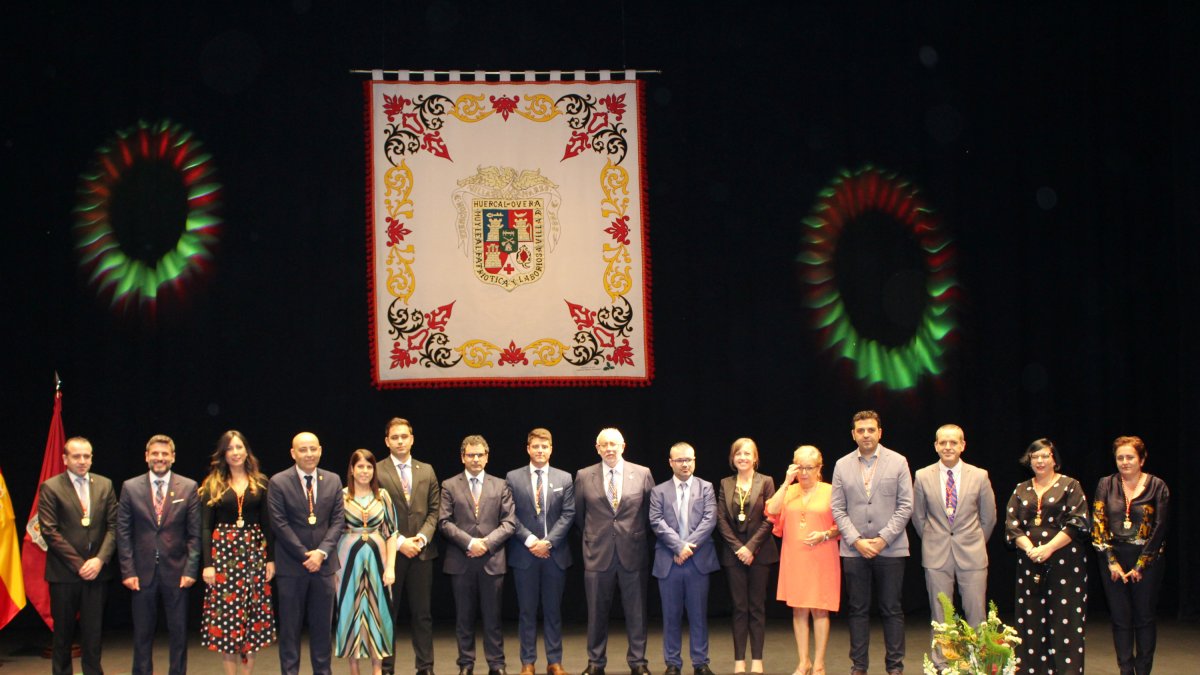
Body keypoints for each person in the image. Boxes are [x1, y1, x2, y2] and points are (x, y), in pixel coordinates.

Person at [830, 410, 912, 675]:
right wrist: (856, 540)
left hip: (891, 548)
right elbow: (838, 509)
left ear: (880, 432)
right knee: (857, 611)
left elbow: (905, 506)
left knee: (892, 609)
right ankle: (859, 667)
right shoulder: (842, 465)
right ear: (853, 434)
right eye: (861, 430)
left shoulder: (898, 462)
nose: (866, 434)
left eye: (871, 429)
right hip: (854, 551)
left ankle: (895, 667)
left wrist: (882, 539)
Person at [911, 424, 997, 670]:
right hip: (936, 555)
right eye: (943, 442)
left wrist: (975, 541)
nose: (948, 447)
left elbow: (988, 518)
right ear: (936, 446)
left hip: (972, 555)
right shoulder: (922, 475)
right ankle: (943, 664)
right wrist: (933, 539)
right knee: (940, 615)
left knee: (976, 613)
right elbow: (919, 518)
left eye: (953, 442)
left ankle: (979, 662)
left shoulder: (979, 475)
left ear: (962, 445)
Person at [116, 434, 201, 675]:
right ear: (146, 456)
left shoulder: (189, 486)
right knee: (142, 635)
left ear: (173, 457)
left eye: (165, 454)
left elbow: (195, 535)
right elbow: (123, 533)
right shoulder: (130, 487)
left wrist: (190, 570)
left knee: (179, 633)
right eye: (155, 453)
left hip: (177, 573)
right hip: (141, 574)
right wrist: (128, 571)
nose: (160, 458)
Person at [574, 427, 655, 675]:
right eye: (604, 444)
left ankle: (638, 662)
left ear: (623, 446)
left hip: (633, 553)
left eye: (614, 444)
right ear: (597, 448)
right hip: (598, 555)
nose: (609, 448)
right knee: (596, 613)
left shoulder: (642, 474)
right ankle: (595, 663)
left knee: (637, 613)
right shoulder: (583, 475)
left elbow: (651, 514)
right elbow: (579, 516)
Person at [1004, 438, 1089, 675]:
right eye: (1035, 457)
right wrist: (1030, 548)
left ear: (1054, 459)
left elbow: (1078, 523)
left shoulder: (1071, 485)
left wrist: (1048, 548)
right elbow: (1012, 526)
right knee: (1031, 624)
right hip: (1030, 563)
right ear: (1029, 461)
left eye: (1045, 456)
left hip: (1065, 564)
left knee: (1066, 623)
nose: (1040, 461)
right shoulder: (1021, 489)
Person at [38, 436, 118, 675]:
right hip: (64, 574)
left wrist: (99, 560)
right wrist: (80, 564)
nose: (82, 461)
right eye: (76, 456)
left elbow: (114, 527)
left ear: (92, 458)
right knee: (62, 636)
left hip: (97, 573)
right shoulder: (51, 487)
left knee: (93, 635)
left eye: (87, 456)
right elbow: (49, 532)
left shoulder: (105, 485)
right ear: (65, 459)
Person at [268, 431, 347, 675]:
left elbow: (338, 522)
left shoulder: (333, 480)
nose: (309, 454)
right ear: (293, 453)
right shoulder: (278, 481)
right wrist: (306, 555)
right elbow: (279, 524)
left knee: (323, 629)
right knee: (290, 631)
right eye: (303, 449)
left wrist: (321, 553)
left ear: (320, 450)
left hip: (323, 567)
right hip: (292, 568)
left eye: (313, 449)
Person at [198, 430, 277, 674]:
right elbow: (205, 527)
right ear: (223, 454)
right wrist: (208, 564)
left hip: (254, 555)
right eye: (230, 448)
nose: (235, 453)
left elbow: (268, 524)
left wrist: (271, 560)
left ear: (246, 451)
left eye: (239, 447)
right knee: (228, 620)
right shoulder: (213, 484)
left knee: (252, 619)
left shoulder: (261, 481)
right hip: (223, 557)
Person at [439, 435, 517, 675]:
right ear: (463, 457)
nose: (475, 459)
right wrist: (470, 543)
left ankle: (497, 664)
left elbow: (509, 522)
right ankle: (466, 664)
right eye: (470, 455)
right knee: (464, 618)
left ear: (487, 456)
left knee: (493, 618)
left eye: (479, 454)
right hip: (461, 560)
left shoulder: (500, 484)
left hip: (492, 560)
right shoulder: (449, 485)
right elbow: (444, 521)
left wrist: (486, 544)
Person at [1092, 435, 1169, 675]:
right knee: (1120, 618)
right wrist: (1111, 562)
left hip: (1147, 559)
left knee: (1144, 618)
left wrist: (1141, 565)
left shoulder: (1158, 486)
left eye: (1130, 457)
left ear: (1142, 459)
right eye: (1120, 458)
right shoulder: (1106, 484)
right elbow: (1098, 523)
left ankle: (1143, 670)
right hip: (1112, 558)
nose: (1125, 462)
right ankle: (1125, 669)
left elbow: (1160, 527)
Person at [505, 428, 576, 675]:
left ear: (551, 449)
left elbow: (569, 515)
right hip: (525, 555)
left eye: (545, 447)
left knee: (553, 611)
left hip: (554, 555)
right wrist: (531, 541)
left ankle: (554, 661)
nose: (540, 451)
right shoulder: (513, 478)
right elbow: (509, 515)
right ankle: (528, 662)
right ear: (528, 448)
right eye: (536, 446)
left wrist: (549, 542)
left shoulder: (564, 478)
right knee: (526, 611)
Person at [766, 445, 840, 675]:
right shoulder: (789, 491)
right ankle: (803, 662)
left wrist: (825, 534)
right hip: (795, 557)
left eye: (809, 467)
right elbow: (771, 511)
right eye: (800, 467)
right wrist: (786, 482)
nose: (804, 472)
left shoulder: (831, 491)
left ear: (819, 467)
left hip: (823, 556)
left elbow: (843, 524)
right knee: (798, 610)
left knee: (820, 609)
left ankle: (818, 664)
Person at [376, 417, 440, 675]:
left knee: (422, 615)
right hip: (390, 553)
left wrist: (421, 539)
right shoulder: (376, 470)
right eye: (395, 437)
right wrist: (401, 542)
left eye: (404, 436)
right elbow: (374, 512)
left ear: (412, 439)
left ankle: (425, 667)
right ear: (387, 441)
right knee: (388, 614)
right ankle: (386, 667)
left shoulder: (426, 470)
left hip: (422, 553)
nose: (400, 441)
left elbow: (435, 511)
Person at [649, 442, 718, 675]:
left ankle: (700, 663)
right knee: (671, 615)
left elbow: (709, 520)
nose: (686, 464)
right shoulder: (658, 491)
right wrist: (678, 547)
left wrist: (687, 548)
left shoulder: (706, 488)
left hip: (697, 561)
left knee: (698, 614)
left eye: (689, 459)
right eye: (680, 460)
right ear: (671, 462)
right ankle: (672, 663)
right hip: (669, 561)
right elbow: (656, 521)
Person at [714, 438, 779, 675]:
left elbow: (771, 517)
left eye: (747, 454)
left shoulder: (767, 482)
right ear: (733, 458)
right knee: (739, 608)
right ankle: (739, 660)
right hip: (734, 555)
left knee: (757, 607)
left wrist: (750, 548)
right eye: (738, 454)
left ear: (755, 458)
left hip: (760, 553)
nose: (743, 457)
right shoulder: (725, 483)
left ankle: (757, 659)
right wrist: (738, 548)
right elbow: (720, 519)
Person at [336, 449, 399, 675]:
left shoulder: (383, 496)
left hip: (377, 562)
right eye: (360, 466)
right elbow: (334, 530)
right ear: (352, 470)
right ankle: (354, 671)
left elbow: (392, 533)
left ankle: (377, 671)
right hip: (347, 564)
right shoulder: (341, 496)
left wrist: (390, 566)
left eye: (369, 467)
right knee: (350, 614)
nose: (365, 471)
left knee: (377, 613)